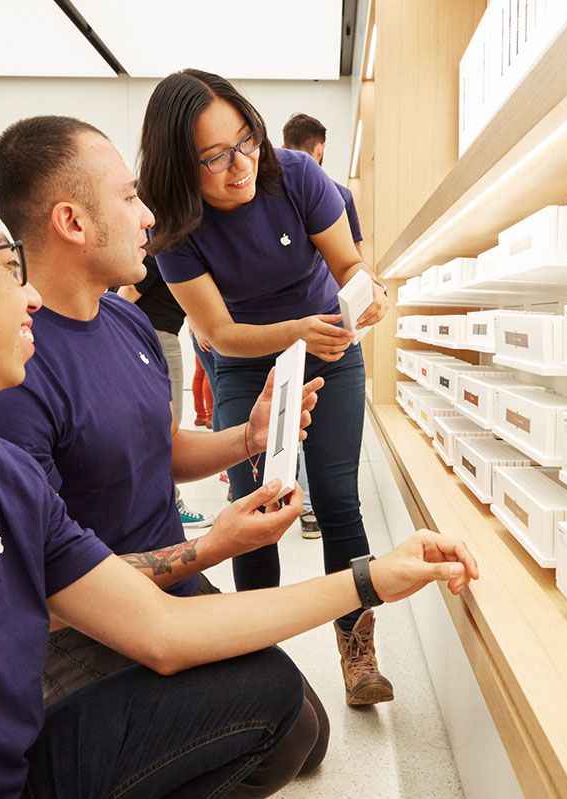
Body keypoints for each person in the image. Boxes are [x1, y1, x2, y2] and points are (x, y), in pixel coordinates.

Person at [0, 154, 479, 797]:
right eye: (7, 270)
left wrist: (373, 577)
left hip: (16, 767)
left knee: (272, 695)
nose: (28, 294)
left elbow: (159, 626)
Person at [0, 114, 333, 780]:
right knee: (283, 731)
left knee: (309, 735)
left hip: (177, 582)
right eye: (130, 196)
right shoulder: (16, 372)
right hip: (92, 621)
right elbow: (49, 592)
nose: (149, 218)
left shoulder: (125, 319)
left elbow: (158, 446)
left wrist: (247, 438)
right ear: (72, 222)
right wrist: (217, 543)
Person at [139, 70, 396, 706]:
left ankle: (357, 654)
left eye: (246, 140)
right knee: (255, 505)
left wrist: (370, 294)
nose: (240, 165)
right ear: (180, 166)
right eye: (214, 157)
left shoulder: (295, 175)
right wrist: (292, 334)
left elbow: (349, 264)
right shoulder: (174, 228)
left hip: (329, 350)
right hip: (246, 363)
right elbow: (220, 333)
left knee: (337, 498)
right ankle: (257, 667)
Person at [281, 112, 367, 540]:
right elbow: (353, 262)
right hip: (327, 327)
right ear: (320, 149)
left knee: (286, 436)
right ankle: (311, 507)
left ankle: (296, 497)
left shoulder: (279, 189)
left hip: (317, 340)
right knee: (326, 453)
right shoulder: (339, 193)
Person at [118, 255, 214, 528]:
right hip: (156, 335)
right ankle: (170, 504)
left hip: (154, 333)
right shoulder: (157, 254)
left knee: (157, 426)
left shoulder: (162, 254)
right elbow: (125, 295)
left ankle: (163, 503)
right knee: (168, 426)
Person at [281, 113, 364, 257]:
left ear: (283, 149)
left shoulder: (268, 196)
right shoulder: (342, 197)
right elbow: (356, 259)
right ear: (320, 149)